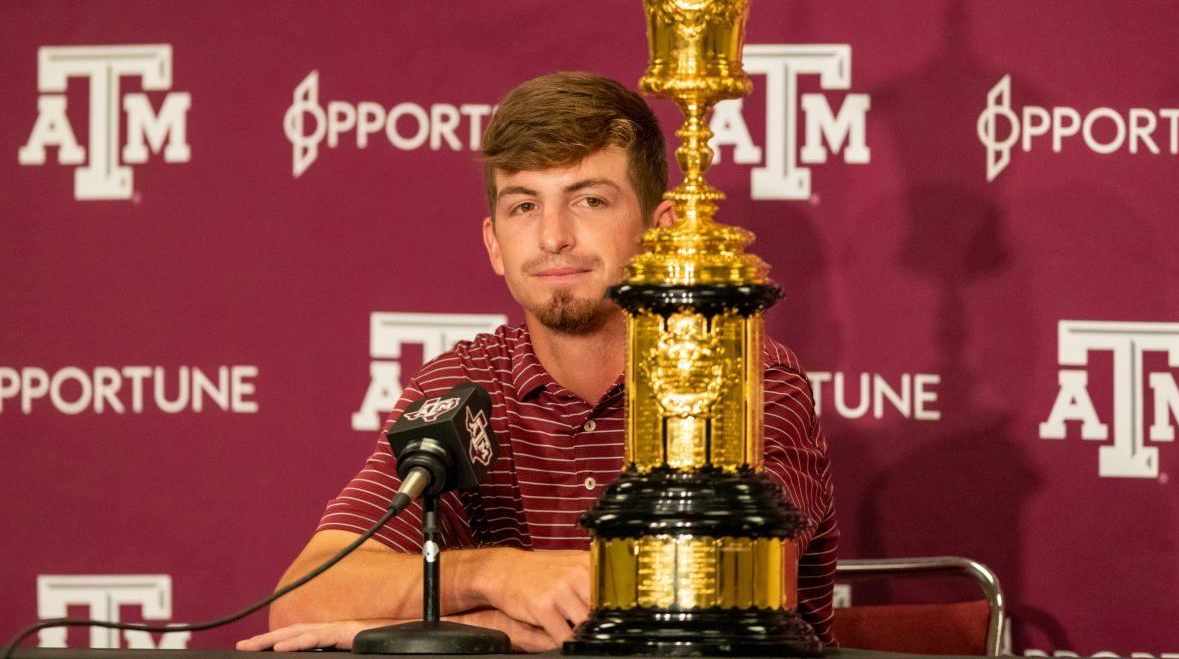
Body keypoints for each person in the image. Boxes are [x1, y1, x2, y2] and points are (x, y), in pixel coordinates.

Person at [237, 72, 838, 653]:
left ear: (663, 234)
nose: (553, 237)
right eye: (523, 206)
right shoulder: (466, 383)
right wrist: (496, 579)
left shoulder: (739, 376)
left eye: (590, 200)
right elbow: (304, 595)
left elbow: (714, 592)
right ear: (494, 244)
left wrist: (450, 622)